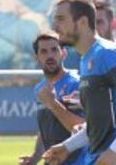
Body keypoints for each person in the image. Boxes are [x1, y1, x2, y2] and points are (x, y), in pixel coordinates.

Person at [43, 0, 116, 165]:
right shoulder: (87, 59)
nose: (55, 25)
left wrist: (115, 151)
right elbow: (100, 124)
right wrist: (68, 146)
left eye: (60, 19)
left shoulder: (106, 53)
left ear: (81, 22)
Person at [19, 32, 86, 165]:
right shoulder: (40, 89)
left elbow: (84, 129)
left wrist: (53, 103)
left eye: (54, 50)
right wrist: (36, 156)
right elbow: (46, 127)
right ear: (36, 58)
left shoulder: (77, 84)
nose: (49, 55)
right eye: (43, 51)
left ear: (64, 54)